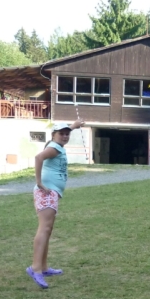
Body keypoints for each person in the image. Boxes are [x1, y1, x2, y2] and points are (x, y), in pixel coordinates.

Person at [27, 121, 84, 289]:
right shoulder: (54, 148)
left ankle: (43, 267)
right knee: (44, 228)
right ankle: (35, 268)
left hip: (52, 192)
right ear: (53, 135)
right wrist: (39, 182)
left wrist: (73, 126)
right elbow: (38, 157)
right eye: (62, 133)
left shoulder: (57, 145)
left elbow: (63, 133)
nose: (65, 136)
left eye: (67, 134)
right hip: (46, 191)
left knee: (48, 229)